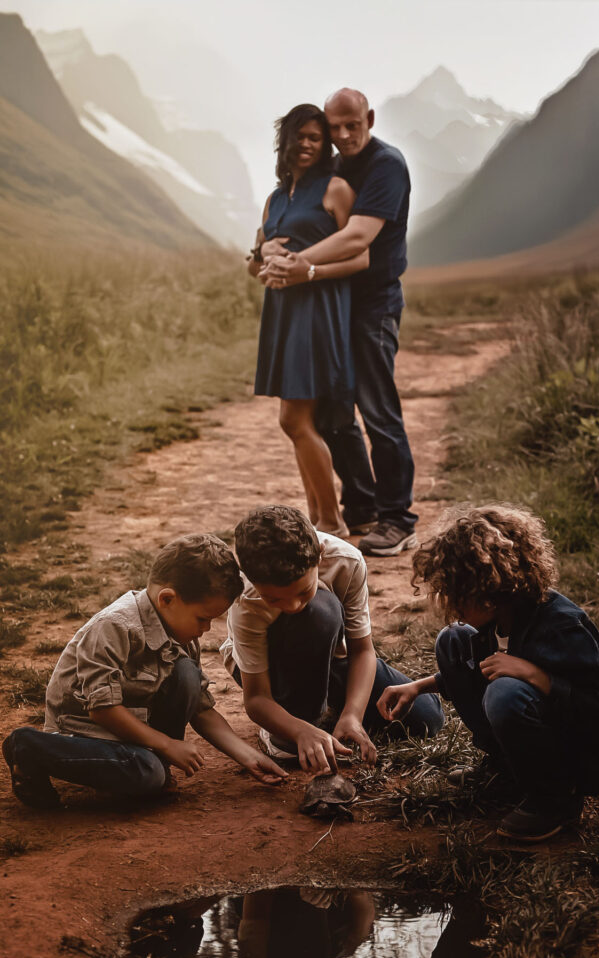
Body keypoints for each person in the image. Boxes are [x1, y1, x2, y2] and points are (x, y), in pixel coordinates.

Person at [377, 504, 599, 842]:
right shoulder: (500, 619)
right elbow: (480, 668)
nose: (451, 606)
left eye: (457, 596)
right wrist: (418, 687)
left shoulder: (560, 627)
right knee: (453, 640)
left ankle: (554, 800)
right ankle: (509, 768)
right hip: (539, 725)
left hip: (586, 759)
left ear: (490, 592)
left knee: (505, 693)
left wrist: (534, 675)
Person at [2, 534, 287, 809]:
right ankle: (31, 747)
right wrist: (166, 744)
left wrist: (248, 757)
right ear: (167, 599)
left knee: (186, 673)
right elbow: (102, 710)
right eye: (203, 618)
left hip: (135, 726)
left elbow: (200, 709)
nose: (206, 629)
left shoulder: (182, 636)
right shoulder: (114, 627)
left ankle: (152, 764)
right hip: (86, 735)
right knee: (147, 775)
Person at [260, 88, 416, 557]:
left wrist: (299, 265)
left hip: (373, 305)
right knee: (335, 416)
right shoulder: (336, 167)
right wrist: (267, 253)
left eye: (353, 125)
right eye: (336, 127)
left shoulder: (385, 164)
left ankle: (398, 519)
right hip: (336, 306)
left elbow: (358, 236)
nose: (344, 135)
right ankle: (362, 507)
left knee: (377, 411)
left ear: (369, 118)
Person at [221, 505, 444, 774]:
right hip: (270, 670)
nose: (291, 606)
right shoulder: (245, 596)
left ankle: (330, 710)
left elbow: (362, 650)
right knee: (317, 612)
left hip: (329, 654)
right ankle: (290, 723)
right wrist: (299, 730)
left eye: (303, 591)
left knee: (426, 718)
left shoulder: (346, 561)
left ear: (320, 556)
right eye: (274, 599)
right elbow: (256, 698)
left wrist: (353, 714)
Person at [247, 103, 369, 537]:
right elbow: (255, 263)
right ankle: (319, 518)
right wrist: (264, 257)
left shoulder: (335, 189)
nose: (306, 144)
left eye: (315, 138)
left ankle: (331, 520)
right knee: (301, 421)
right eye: (299, 136)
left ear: (324, 146)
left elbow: (361, 256)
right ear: (286, 140)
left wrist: (308, 269)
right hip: (281, 311)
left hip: (318, 309)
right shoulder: (274, 200)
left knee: (294, 420)